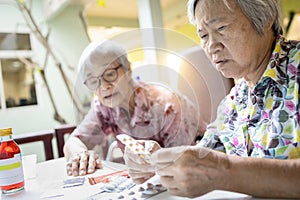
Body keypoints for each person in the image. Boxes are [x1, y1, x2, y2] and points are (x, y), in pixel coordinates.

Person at [124, 0, 300, 198]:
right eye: (204, 35)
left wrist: (223, 171)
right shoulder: (235, 99)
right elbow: (204, 155)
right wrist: (161, 161)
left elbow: (218, 168)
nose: (211, 46)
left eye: (221, 28)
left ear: (265, 18)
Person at [63, 40, 205, 177]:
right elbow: (73, 142)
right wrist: (80, 155)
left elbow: (184, 164)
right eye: (93, 81)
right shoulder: (104, 107)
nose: (104, 86)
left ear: (128, 70)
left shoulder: (166, 104)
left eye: (110, 74)